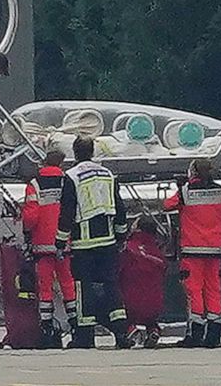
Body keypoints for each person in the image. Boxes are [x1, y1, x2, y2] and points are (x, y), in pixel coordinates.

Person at [55, 135, 132, 349]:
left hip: (84, 244)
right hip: (108, 243)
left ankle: (84, 337)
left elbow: (67, 213)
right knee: (111, 285)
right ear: (93, 152)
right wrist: (121, 236)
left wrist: (60, 243)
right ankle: (121, 333)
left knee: (83, 288)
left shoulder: (71, 176)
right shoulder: (108, 175)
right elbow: (120, 208)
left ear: (75, 152)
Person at [164, 159, 221, 347]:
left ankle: (195, 333)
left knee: (194, 291)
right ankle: (214, 334)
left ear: (192, 172)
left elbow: (167, 205)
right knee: (214, 290)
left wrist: (182, 187)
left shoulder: (186, 192)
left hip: (192, 250)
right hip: (215, 250)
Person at [21, 149, 78, 348]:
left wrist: (27, 232)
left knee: (45, 288)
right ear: (61, 164)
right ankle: (76, 325)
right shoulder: (67, 182)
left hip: (42, 245)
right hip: (66, 243)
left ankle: (46, 328)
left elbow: (30, 217)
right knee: (68, 286)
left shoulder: (35, 185)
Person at [119, 217, 167, 348]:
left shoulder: (128, 248)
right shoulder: (158, 253)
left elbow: (116, 271)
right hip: (155, 304)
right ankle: (153, 330)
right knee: (150, 318)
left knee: (114, 308)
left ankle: (130, 330)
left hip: (130, 303)